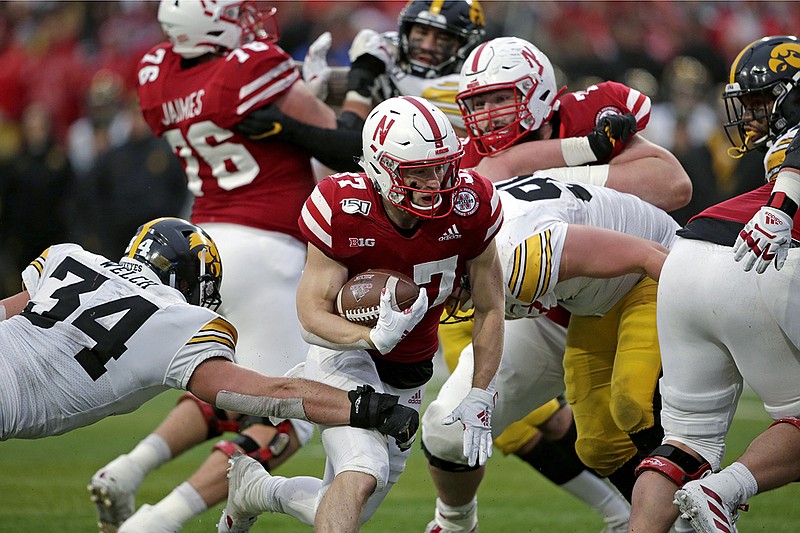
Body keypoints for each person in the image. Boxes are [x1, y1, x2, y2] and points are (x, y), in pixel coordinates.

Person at [420, 36, 693, 533]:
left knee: (637, 412)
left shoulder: (583, 116)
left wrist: (553, 173)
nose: (487, 114)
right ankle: (455, 521)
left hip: (629, 283)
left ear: (541, 92)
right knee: (448, 430)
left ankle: (684, 518)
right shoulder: (465, 163)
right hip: (546, 308)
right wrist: (567, 164)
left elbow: (673, 185)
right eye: (476, 102)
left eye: (499, 97)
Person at [87, 2, 342, 531]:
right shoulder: (249, 67)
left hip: (201, 245)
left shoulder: (160, 72)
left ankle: (129, 468)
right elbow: (338, 142)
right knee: (290, 414)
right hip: (268, 248)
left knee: (220, 382)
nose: (249, 18)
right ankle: (161, 519)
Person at [217, 95, 505, 533]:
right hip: (344, 353)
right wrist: (369, 338)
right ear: (381, 169)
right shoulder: (343, 205)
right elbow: (311, 313)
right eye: (419, 172)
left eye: (443, 166)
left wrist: (481, 391)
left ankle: (256, 490)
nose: (436, 182)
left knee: (351, 503)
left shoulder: (472, 204)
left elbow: (490, 306)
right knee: (361, 471)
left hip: (411, 368)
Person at [0, 217, 418, 447]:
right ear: (190, 281)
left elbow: (7, 313)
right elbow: (268, 394)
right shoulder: (174, 319)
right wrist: (368, 407)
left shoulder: (69, 259)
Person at [629, 35, 800, 533]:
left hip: (689, 256)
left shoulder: (780, 149)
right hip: (757, 259)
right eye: (748, 102)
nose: (751, 115)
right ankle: (721, 491)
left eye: (761, 101)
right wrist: (784, 209)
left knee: (685, 441)